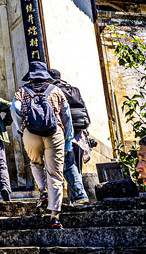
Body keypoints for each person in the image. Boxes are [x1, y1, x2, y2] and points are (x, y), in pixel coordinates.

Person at [12, 61, 70, 228]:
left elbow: (14, 109)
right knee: (56, 173)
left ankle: (43, 192)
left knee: (36, 163)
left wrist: (21, 127)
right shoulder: (57, 90)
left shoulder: (22, 91)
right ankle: (55, 216)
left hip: (31, 133)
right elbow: (66, 116)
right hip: (54, 133)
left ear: (31, 77)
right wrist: (66, 137)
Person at [48, 68, 92, 205]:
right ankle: (75, 199)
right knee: (75, 166)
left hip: (65, 133)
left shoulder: (53, 91)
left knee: (68, 166)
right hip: (79, 135)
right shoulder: (72, 89)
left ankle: (79, 196)